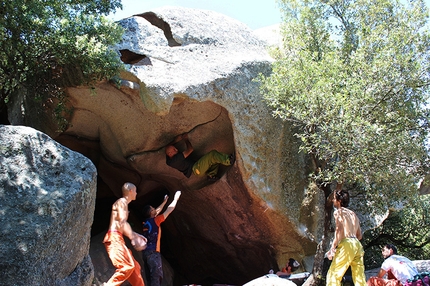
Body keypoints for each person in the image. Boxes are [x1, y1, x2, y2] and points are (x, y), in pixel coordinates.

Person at [103, 182, 146, 286]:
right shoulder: (122, 202)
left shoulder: (123, 204)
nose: (136, 193)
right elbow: (122, 221)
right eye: (135, 191)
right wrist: (133, 237)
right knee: (126, 266)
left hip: (118, 238)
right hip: (114, 238)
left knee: (135, 268)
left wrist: (135, 235)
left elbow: (121, 224)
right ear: (130, 191)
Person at [326, 189, 366, 286]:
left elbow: (338, 230)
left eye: (334, 199)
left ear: (339, 201)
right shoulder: (353, 214)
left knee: (333, 275)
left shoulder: (339, 212)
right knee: (359, 277)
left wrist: (333, 248)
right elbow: (359, 236)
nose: (332, 201)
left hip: (347, 243)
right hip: (357, 244)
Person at [141, 190, 181, 286]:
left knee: (149, 279)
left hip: (145, 253)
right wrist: (176, 198)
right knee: (156, 278)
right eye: (153, 208)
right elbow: (169, 210)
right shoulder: (156, 220)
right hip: (154, 253)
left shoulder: (146, 222)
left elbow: (156, 212)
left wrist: (164, 201)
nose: (155, 209)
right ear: (151, 212)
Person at [165, 133, 234, 181]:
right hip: (196, 168)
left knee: (213, 161)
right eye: (174, 149)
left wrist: (175, 140)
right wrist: (185, 139)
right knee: (212, 155)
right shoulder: (176, 159)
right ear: (170, 153)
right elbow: (190, 150)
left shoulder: (169, 161)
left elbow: (167, 147)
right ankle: (228, 160)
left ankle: (211, 175)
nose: (176, 149)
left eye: (175, 148)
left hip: (197, 170)